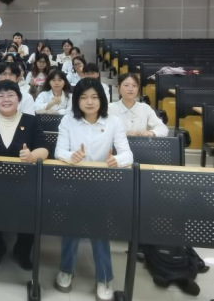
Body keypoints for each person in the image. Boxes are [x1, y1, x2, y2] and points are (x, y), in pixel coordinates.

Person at [53, 78, 133, 301]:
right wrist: (72, 156)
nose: (89, 102)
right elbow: (59, 151)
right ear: (77, 101)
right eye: (84, 97)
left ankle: (104, 277)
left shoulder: (113, 122)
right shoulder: (68, 121)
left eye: (94, 97)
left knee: (100, 228)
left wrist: (116, 160)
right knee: (71, 226)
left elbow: (128, 154)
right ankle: (66, 269)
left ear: (102, 100)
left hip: (102, 184)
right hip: (73, 181)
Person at [0, 80, 48, 268]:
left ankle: (22, 252)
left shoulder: (30, 121)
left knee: (30, 215)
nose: (6, 99)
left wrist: (32, 156)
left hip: (25, 183)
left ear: (19, 99)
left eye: (11, 95)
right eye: (0, 96)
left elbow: (44, 149)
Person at [109, 73, 168, 137]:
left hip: (140, 143)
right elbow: (102, 131)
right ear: (119, 88)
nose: (130, 89)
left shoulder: (145, 108)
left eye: (134, 85)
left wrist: (151, 133)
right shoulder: (110, 108)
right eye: (126, 85)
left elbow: (163, 129)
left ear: (138, 89)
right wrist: (122, 134)